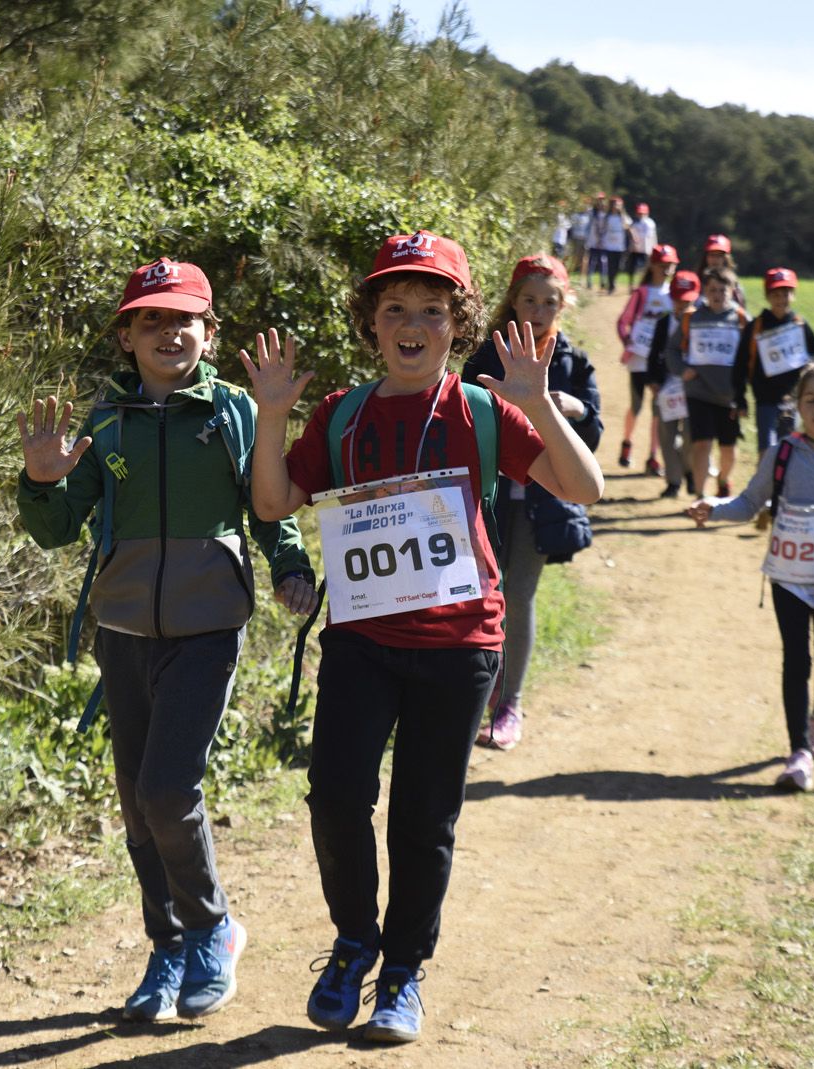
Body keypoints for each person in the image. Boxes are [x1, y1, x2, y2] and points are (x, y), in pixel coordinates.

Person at [241, 230, 603, 1043]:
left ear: (459, 323)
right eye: (395, 308)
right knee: (336, 796)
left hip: (460, 644)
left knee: (423, 817)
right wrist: (271, 417)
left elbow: (584, 486)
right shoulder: (342, 415)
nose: (413, 324)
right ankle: (353, 941)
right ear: (370, 322)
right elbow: (272, 503)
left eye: (433, 311)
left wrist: (539, 399)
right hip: (362, 639)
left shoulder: (483, 410)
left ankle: (402, 970)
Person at [15, 257, 318, 1022]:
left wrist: (289, 565)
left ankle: (213, 929)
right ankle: (168, 944)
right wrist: (43, 481)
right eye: (150, 319)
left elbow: (266, 505)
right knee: (136, 802)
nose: (168, 331)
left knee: (167, 790)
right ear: (126, 336)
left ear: (209, 333)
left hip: (207, 627)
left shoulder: (233, 412)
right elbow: (57, 530)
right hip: (123, 631)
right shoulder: (105, 421)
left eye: (184, 318)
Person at [685, 362, 814, 792]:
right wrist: (714, 508)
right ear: (798, 407)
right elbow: (749, 503)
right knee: (796, 658)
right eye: (811, 400)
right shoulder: (783, 455)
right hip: (788, 577)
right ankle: (799, 752)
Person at [462, 254, 601, 751]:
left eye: (550, 302)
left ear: (563, 306)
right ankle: (470, 699)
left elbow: (594, 436)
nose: (539, 311)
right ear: (513, 302)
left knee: (517, 597)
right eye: (530, 300)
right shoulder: (485, 357)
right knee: (479, 599)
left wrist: (574, 410)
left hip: (543, 503)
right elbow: (462, 419)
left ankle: (509, 705)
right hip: (487, 500)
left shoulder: (572, 361)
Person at [664, 266, 748, 496]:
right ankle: (700, 497)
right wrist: (682, 370)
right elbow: (672, 349)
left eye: (722, 290)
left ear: (731, 291)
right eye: (712, 290)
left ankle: (723, 480)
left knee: (728, 448)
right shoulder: (692, 317)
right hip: (699, 392)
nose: (717, 295)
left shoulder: (741, 319)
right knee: (701, 444)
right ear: (705, 292)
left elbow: (752, 355)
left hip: (729, 395)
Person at [737, 267, 814, 454]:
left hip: (793, 400)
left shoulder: (800, 325)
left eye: (786, 294)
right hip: (765, 399)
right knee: (766, 450)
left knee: (788, 450)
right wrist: (740, 398)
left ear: (793, 295)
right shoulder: (756, 327)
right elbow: (741, 364)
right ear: (767, 296)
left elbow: (813, 357)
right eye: (776, 295)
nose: (781, 299)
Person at [614, 245, 679, 475]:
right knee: (636, 406)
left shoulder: (675, 294)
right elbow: (622, 322)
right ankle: (627, 443)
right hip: (639, 360)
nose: (666, 269)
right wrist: (629, 342)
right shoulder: (642, 293)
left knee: (658, 410)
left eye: (670, 265)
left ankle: (653, 457)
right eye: (662, 264)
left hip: (661, 362)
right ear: (652, 265)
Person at [649, 268, 700, 497]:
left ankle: (689, 471)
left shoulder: (701, 323)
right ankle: (673, 481)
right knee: (667, 435)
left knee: (690, 436)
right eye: (678, 300)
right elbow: (653, 354)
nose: (682, 306)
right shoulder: (663, 323)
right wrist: (653, 381)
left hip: (693, 389)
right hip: (666, 388)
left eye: (687, 301)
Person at [590, 197, 632, 294]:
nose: (615, 207)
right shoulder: (607, 217)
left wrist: (633, 240)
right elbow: (601, 229)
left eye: (618, 205)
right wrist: (599, 240)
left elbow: (628, 228)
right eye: (614, 204)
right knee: (610, 266)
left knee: (618, 266)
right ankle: (611, 285)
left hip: (620, 246)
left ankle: (613, 281)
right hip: (608, 245)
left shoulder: (623, 218)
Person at [701, 234, 749, 309]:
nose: (715, 259)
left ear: (726, 258)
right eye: (712, 255)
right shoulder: (696, 282)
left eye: (719, 256)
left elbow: (741, 310)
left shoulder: (736, 287)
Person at [625, 203, 658, 289]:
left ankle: (643, 285)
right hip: (634, 250)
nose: (640, 215)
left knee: (644, 269)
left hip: (646, 250)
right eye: (639, 213)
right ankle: (631, 284)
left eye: (642, 213)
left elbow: (648, 236)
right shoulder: (634, 223)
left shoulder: (649, 223)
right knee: (632, 268)